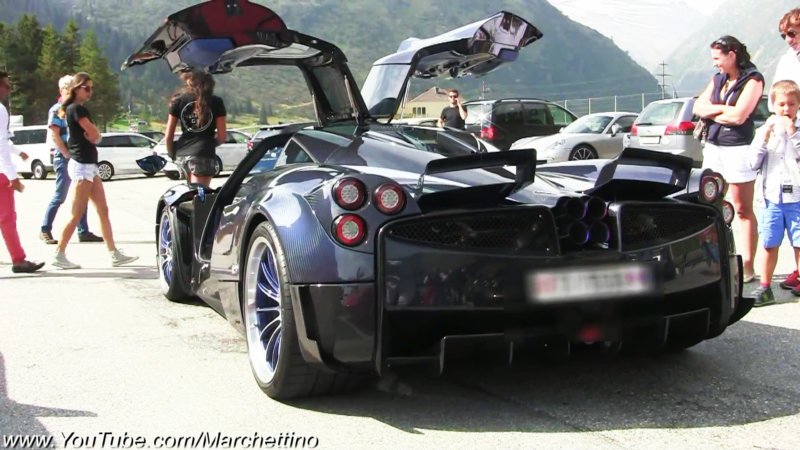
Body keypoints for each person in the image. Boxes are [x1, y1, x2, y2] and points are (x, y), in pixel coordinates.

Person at [692, 35, 765, 284]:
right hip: (713, 148)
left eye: (717, 58)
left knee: (742, 208)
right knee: (709, 204)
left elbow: (739, 117)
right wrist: (724, 110)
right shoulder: (718, 79)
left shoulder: (753, 79)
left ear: (731, 55)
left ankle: (748, 266)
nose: (715, 64)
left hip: (738, 150)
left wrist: (716, 112)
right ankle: (712, 262)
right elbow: (697, 107)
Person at [51, 72, 138, 269]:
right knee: (76, 213)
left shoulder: (77, 109)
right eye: (86, 88)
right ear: (76, 88)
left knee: (103, 210)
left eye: (91, 88)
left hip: (89, 165)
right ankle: (58, 254)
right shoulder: (76, 109)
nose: (90, 92)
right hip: (82, 165)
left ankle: (113, 252)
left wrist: (94, 136)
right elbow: (94, 133)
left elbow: (94, 135)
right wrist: (95, 136)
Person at [747, 80, 800, 307]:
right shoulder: (764, 131)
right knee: (770, 244)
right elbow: (752, 163)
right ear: (772, 105)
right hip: (771, 199)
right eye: (781, 104)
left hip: (797, 198)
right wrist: (765, 136)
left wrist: (793, 134)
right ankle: (766, 287)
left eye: (791, 104)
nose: (786, 109)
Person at [39, 74, 103, 245]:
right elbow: (55, 135)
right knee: (60, 195)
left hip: (78, 155)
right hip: (64, 156)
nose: (69, 90)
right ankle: (45, 229)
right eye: (67, 88)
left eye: (71, 87)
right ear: (62, 90)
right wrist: (66, 153)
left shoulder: (75, 107)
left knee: (82, 196)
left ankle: (83, 231)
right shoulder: (57, 109)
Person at [768, 8, 800, 291]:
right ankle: (797, 269)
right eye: (784, 36)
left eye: (792, 33)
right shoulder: (786, 59)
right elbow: (775, 93)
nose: (788, 40)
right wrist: (780, 118)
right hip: (789, 135)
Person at [0, 71, 44, 273]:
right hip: (1, 174)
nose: (9, 90)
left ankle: (18, 258)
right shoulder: (0, 110)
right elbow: (0, 145)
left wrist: (18, 151)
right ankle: (18, 260)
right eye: (6, 86)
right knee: (7, 218)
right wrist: (12, 176)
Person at [165, 70, 226, 187]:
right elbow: (222, 137)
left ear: (188, 80)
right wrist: (207, 144)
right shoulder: (216, 102)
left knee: (190, 194)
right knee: (201, 198)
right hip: (203, 155)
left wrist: (172, 153)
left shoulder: (178, 101)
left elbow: (168, 136)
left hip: (182, 154)